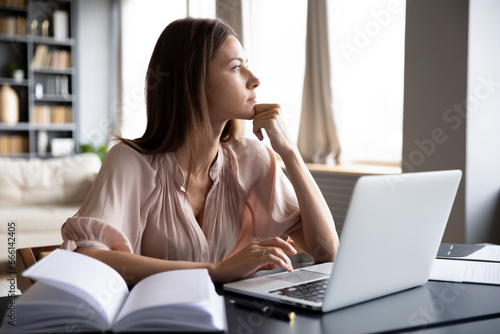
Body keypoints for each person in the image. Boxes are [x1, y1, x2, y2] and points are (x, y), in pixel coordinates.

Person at [61, 17, 339, 285]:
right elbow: (89, 258)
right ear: (193, 81)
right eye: (235, 68)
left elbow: (326, 252)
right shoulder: (129, 162)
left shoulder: (252, 159)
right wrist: (215, 270)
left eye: (248, 66)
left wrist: (290, 153)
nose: (254, 79)